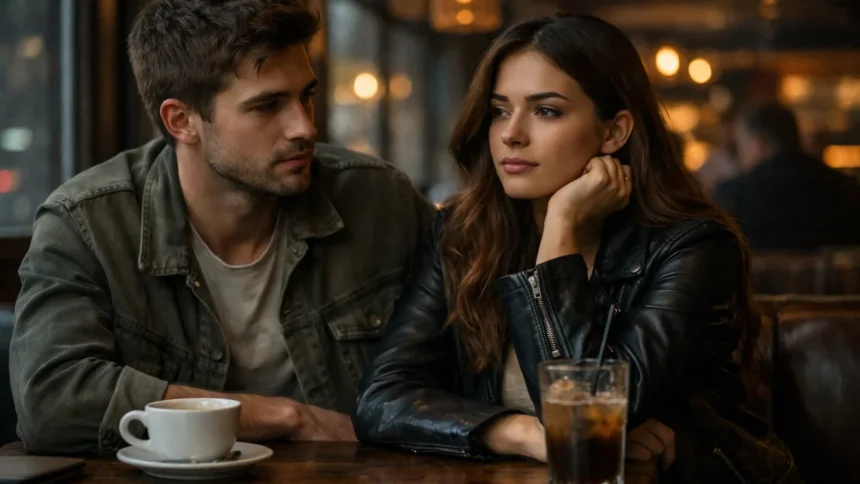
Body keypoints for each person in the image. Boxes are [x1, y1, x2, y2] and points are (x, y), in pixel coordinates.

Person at [354, 14, 800, 483]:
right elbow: (381, 398)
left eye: (546, 110)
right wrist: (524, 434)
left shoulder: (692, 248)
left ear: (614, 132)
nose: (511, 133)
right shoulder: (462, 235)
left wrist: (561, 226)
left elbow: (589, 412)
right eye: (500, 110)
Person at [10, 0, 434, 454]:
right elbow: (51, 400)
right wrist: (287, 418)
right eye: (267, 106)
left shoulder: (380, 200)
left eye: (306, 95)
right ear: (182, 121)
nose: (304, 127)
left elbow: (474, 352)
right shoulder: (87, 223)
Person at [714, 101, 860, 250]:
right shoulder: (847, 189)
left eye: (740, 145)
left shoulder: (731, 195)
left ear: (759, 145)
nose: (739, 155)